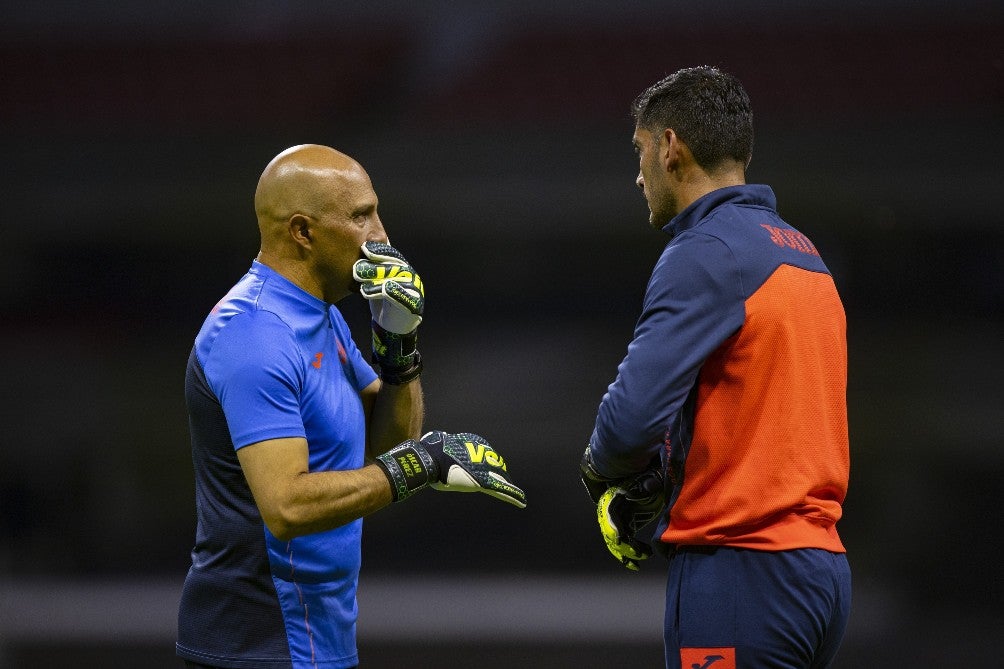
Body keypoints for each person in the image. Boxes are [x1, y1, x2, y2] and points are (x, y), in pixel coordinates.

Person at [177, 144, 526, 669]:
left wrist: (398, 346)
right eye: (361, 216)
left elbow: (387, 442)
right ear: (302, 231)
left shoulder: (324, 315)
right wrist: (422, 466)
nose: (381, 234)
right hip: (257, 644)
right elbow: (287, 507)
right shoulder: (253, 334)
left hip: (317, 639)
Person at [580, 67, 851, 668]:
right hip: (820, 569)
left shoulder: (707, 251)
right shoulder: (804, 255)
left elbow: (628, 423)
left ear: (670, 147)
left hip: (742, 569)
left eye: (640, 151)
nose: (638, 173)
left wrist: (601, 473)